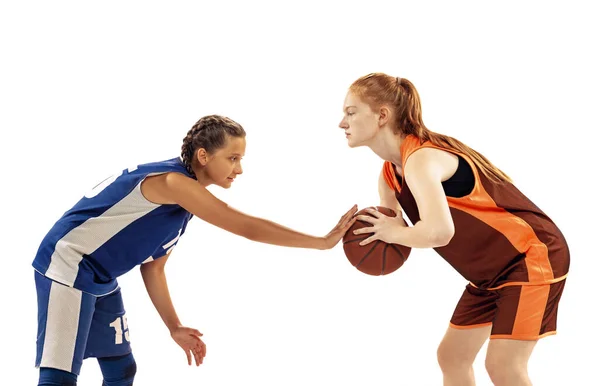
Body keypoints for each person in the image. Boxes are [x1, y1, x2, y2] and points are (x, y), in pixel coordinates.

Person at [32, 114, 357, 386]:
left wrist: (174, 326)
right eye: (233, 158)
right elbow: (245, 226)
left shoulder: (181, 202)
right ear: (203, 156)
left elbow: (154, 267)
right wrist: (322, 241)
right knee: (59, 376)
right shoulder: (175, 184)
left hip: (98, 273)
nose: (239, 169)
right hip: (69, 262)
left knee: (121, 370)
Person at [340, 73, 569, 386]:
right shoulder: (389, 175)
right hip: (490, 273)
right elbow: (396, 232)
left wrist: (391, 233)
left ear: (382, 115)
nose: (342, 122)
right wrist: (363, 234)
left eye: (351, 112)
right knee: (452, 357)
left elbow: (438, 232)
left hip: (530, 256)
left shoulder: (421, 159)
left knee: (503, 365)